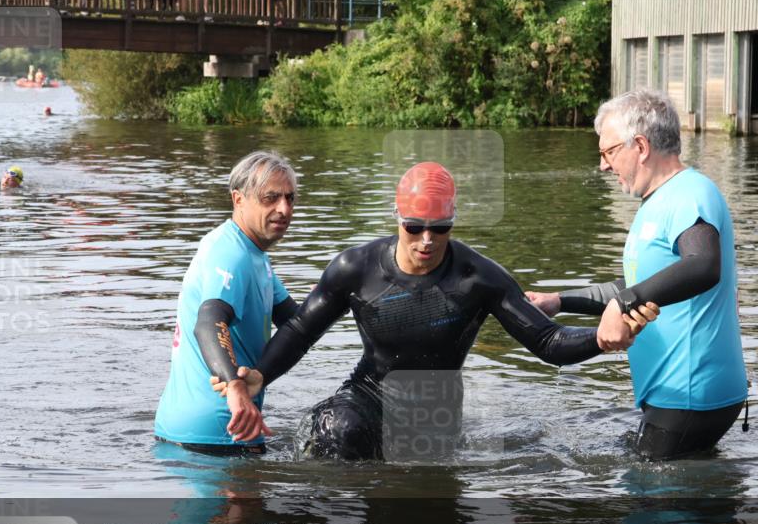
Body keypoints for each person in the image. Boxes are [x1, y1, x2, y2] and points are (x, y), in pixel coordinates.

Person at [213, 162, 658, 460]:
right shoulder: (356, 267)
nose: (427, 240)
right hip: (368, 394)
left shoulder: (478, 278)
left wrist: (600, 340)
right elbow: (302, 329)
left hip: (433, 413)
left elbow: (546, 341)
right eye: (415, 228)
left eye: (440, 228)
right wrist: (260, 375)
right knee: (336, 432)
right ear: (398, 219)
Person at [526, 89, 748, 461]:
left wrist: (627, 302)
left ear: (640, 146)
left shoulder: (690, 195)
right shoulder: (658, 202)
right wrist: (559, 301)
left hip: (689, 393)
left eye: (608, 152)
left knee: (651, 506)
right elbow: (635, 286)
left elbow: (703, 265)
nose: (603, 166)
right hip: (677, 392)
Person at [154, 150, 301, 455]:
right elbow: (209, 322)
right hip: (218, 434)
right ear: (238, 200)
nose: (283, 209)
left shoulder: (253, 254)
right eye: (270, 198)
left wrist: (337, 296)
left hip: (201, 433)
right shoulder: (230, 254)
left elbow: (297, 326)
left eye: (289, 198)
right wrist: (235, 386)